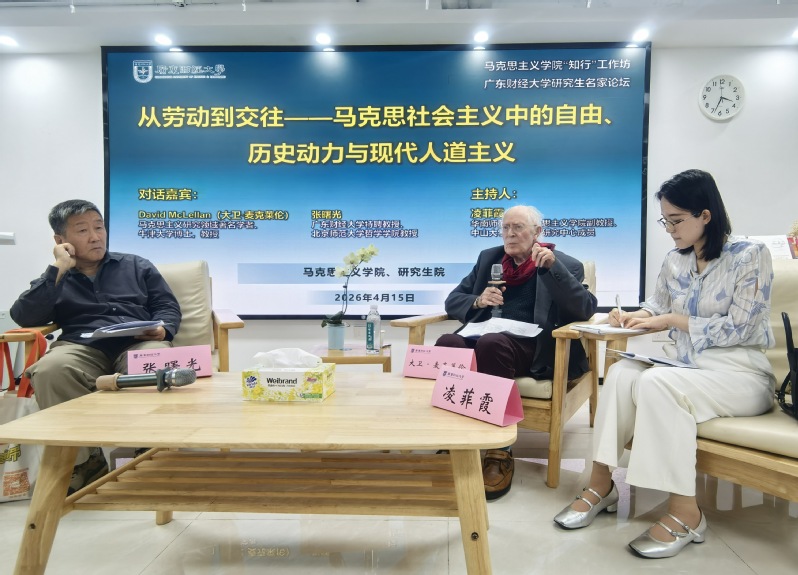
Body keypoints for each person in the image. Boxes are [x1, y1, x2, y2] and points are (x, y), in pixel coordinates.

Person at [553, 169, 775, 558]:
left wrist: (673, 320)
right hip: (687, 366)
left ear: (705, 215)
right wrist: (633, 316)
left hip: (740, 372)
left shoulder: (750, 256)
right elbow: (657, 305)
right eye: (665, 221)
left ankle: (686, 512)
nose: (669, 230)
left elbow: (742, 327)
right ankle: (601, 484)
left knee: (656, 383)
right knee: (620, 374)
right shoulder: (675, 260)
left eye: (676, 220)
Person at [11, 199, 181, 494]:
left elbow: (167, 306)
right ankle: (84, 461)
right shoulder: (56, 277)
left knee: (156, 360)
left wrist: (163, 328)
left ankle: (150, 452)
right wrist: (58, 269)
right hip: (82, 347)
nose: (95, 237)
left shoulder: (136, 265)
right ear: (60, 241)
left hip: (137, 341)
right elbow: (24, 316)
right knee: (51, 369)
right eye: (82, 230)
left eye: (99, 227)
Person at [436, 205, 598, 500]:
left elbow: (584, 309)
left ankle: (499, 450)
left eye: (518, 227)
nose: (510, 234)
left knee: (493, 344)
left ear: (537, 232)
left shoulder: (563, 263)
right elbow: (453, 299)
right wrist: (478, 300)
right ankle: (453, 439)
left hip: (533, 347)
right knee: (449, 343)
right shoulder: (489, 258)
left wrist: (553, 270)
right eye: (506, 228)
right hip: (486, 335)